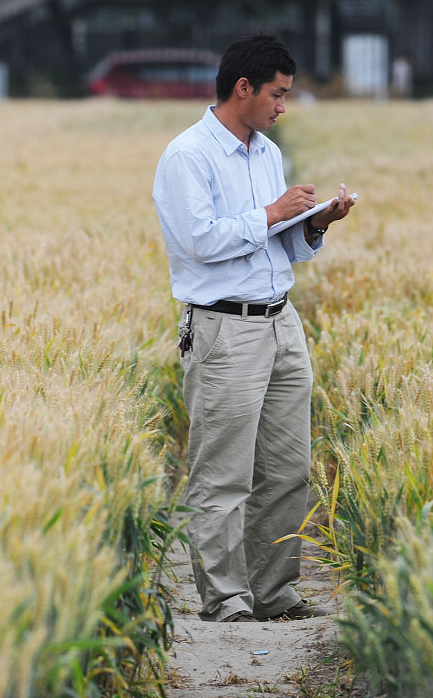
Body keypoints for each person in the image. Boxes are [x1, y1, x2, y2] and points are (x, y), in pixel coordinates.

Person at [152, 33, 355, 623]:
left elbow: (277, 243)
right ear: (244, 88)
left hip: (280, 322)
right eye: (278, 94)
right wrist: (272, 212)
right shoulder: (187, 156)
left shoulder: (266, 152)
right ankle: (226, 597)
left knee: (288, 469)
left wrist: (316, 224)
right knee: (223, 474)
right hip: (224, 328)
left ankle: (275, 591)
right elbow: (201, 241)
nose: (283, 107)